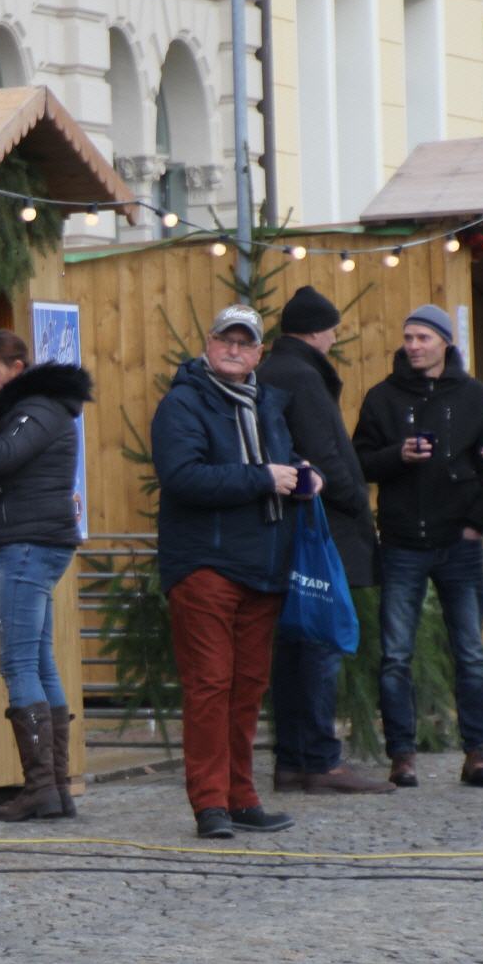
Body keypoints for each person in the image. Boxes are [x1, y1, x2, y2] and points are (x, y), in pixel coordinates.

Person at [152, 305, 309, 838]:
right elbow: (183, 478)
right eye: (226, 340)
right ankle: (210, 804)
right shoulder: (183, 403)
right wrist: (262, 478)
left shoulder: (268, 406)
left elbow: (279, 468)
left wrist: (304, 477)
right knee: (210, 684)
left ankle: (241, 797)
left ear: (259, 352)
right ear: (209, 342)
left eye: (245, 343)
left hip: (262, 568)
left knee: (246, 689)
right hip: (206, 565)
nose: (235, 350)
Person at [0, 329, 92, 822]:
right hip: (36, 544)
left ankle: (40, 789)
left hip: (27, 549)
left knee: (18, 665)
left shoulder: (38, 409)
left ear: (17, 368)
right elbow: (6, 474)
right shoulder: (37, 410)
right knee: (40, 663)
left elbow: (3, 456)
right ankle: (56, 788)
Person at [352, 304, 483, 789]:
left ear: (444, 343)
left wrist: (478, 524)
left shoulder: (474, 396)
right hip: (402, 542)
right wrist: (399, 454)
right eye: (408, 337)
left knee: (471, 654)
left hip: (459, 542)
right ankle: (402, 756)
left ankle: (479, 752)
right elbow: (360, 463)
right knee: (396, 654)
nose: (413, 345)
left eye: (423, 338)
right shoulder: (382, 398)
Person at [256, 287, 393, 795]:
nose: (334, 337)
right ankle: (320, 760)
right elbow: (326, 450)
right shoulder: (302, 374)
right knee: (319, 640)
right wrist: (356, 501)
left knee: (294, 644)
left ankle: (292, 759)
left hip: (289, 525)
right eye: (331, 329)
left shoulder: (276, 369)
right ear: (317, 331)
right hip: (320, 525)